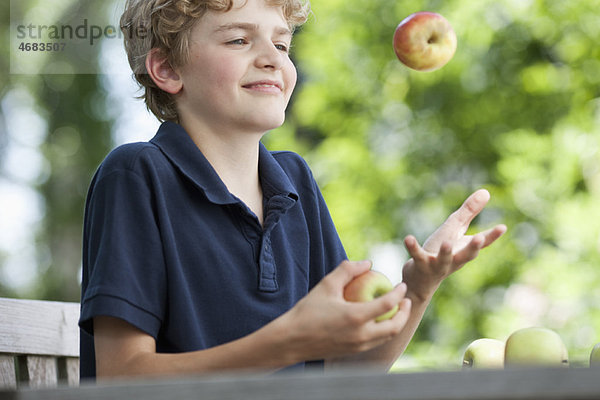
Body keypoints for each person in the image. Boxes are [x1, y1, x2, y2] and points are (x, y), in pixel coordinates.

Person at [79, 0, 506, 380]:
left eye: (282, 45)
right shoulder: (137, 174)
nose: (271, 59)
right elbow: (122, 376)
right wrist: (288, 341)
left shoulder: (295, 181)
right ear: (168, 69)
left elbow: (342, 370)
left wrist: (417, 288)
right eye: (239, 40)